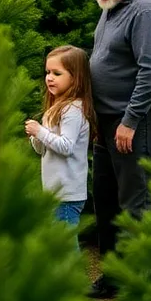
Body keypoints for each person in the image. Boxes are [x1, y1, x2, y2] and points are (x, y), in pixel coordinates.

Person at [82, 0, 151, 299]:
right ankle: (116, 276)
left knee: (138, 207)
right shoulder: (115, 1)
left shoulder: (145, 9)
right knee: (107, 201)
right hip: (108, 125)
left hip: (134, 126)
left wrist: (130, 120)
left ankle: (146, 297)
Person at [25, 45, 96, 246]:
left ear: (76, 78)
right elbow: (42, 150)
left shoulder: (73, 109)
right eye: (48, 72)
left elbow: (66, 147)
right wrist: (36, 136)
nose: (49, 77)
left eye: (57, 73)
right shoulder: (55, 108)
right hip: (54, 191)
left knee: (64, 244)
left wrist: (40, 131)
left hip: (67, 193)